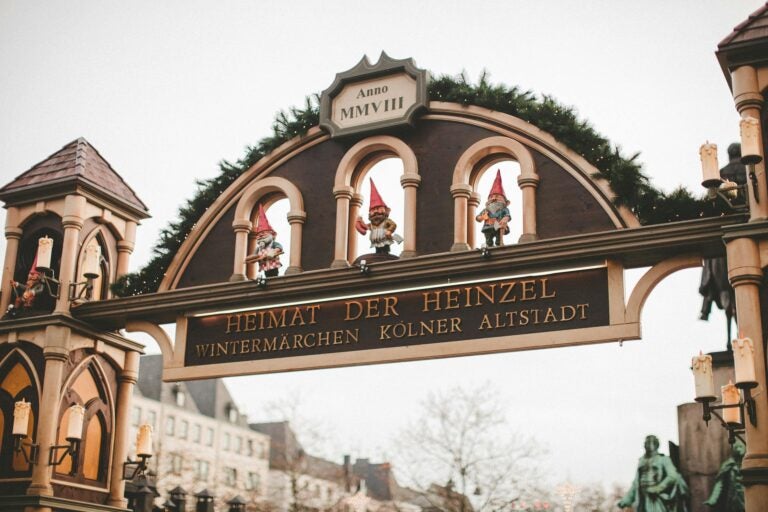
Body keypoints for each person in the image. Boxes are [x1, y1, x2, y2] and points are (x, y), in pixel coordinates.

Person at [618, 435, 689, 512]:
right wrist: (626, 499)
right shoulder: (641, 461)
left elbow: (672, 476)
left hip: (657, 498)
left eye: (649, 442)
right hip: (643, 498)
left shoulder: (664, 459)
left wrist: (657, 488)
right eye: (645, 442)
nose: (646, 445)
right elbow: (636, 483)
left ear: (656, 444)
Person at [355, 178, 403, 255]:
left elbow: (393, 224)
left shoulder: (386, 221)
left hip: (385, 239)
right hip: (376, 241)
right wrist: (360, 222)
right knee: (378, 250)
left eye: (378, 209)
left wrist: (389, 231)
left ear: (385, 210)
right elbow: (366, 227)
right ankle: (378, 253)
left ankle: (386, 253)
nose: (376, 212)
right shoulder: (372, 224)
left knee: (385, 249)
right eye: (373, 210)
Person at [704, 441, 745, 511]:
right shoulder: (728, 465)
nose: (738, 449)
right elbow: (719, 483)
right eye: (736, 447)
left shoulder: (748, 464)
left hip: (746, 497)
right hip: (733, 498)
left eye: (740, 447)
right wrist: (713, 499)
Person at [245, 204, 283, 277]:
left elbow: (279, 249)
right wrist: (250, 258)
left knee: (274, 275)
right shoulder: (259, 248)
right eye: (259, 234)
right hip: (265, 266)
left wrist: (272, 252)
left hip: (273, 265)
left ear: (271, 235)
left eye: (264, 233)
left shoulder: (274, 244)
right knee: (267, 275)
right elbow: (255, 255)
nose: (261, 236)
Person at [475, 170, 511, 247]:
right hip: (488, 226)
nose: (494, 198)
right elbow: (477, 218)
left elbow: (507, 216)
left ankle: (499, 244)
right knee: (488, 240)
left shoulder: (504, 209)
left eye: (497, 196)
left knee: (498, 240)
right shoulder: (486, 210)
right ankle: (489, 245)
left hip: (498, 225)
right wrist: (482, 217)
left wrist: (505, 219)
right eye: (491, 197)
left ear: (506, 202)